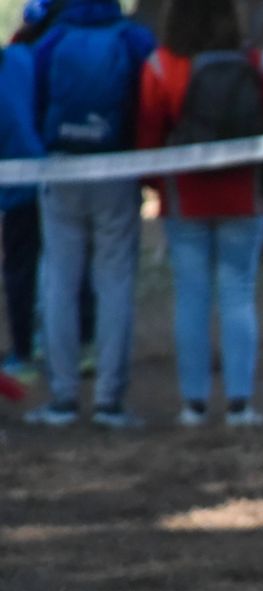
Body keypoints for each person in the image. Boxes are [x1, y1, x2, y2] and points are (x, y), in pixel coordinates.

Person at [135, 0, 263, 428]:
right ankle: (241, 403)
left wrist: (159, 186)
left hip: (185, 198)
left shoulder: (162, 66)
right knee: (239, 294)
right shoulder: (255, 62)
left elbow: (148, 137)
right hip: (243, 195)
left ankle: (193, 404)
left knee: (191, 299)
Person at [22, 0, 154, 428]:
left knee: (59, 280)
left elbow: (36, 99)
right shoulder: (133, 39)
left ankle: (62, 398)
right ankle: (109, 401)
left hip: (61, 169)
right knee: (114, 281)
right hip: (117, 170)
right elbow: (148, 100)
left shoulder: (52, 39)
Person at [1, 0, 97, 385]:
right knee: (73, 263)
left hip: (19, 180)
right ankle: (84, 346)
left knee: (22, 267)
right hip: (64, 173)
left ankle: (24, 352)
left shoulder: (13, 61)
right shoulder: (67, 56)